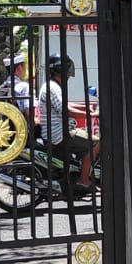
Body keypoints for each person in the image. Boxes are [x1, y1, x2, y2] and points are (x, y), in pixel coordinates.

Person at [37, 55, 96, 196]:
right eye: (68, 69)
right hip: (59, 133)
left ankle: (79, 171)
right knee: (96, 142)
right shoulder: (52, 87)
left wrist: (85, 108)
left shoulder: (52, 86)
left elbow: (66, 104)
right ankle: (83, 180)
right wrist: (90, 115)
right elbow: (65, 110)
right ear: (61, 70)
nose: (69, 73)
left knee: (85, 137)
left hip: (58, 131)